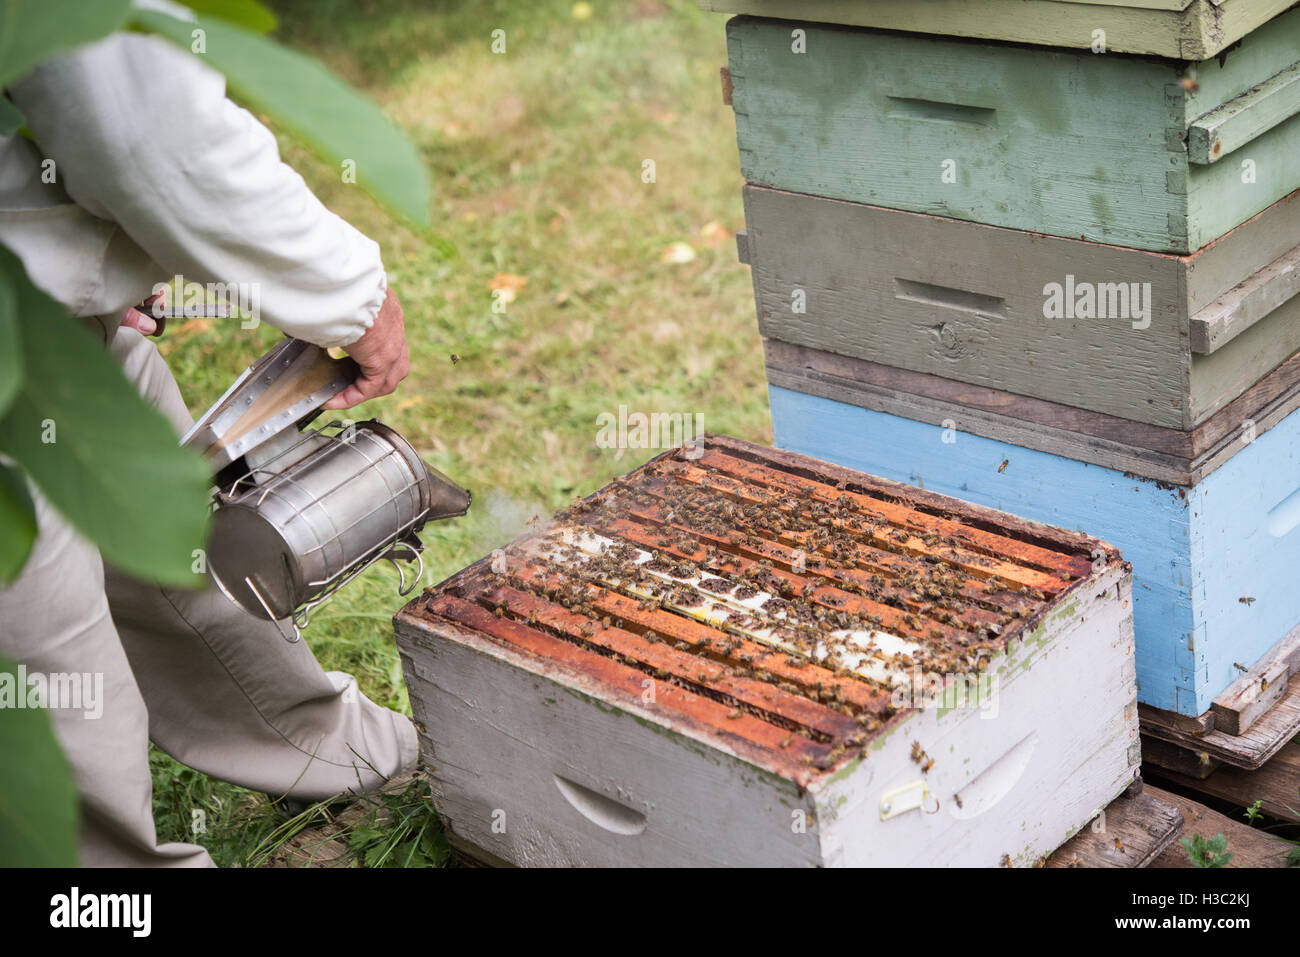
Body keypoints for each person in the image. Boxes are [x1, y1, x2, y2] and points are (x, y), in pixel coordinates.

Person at [0, 28, 419, 866]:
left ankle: (328, 751)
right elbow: (138, 121)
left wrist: (70, 255)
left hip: (38, 318)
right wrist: (349, 293)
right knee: (49, 662)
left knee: (170, 536)